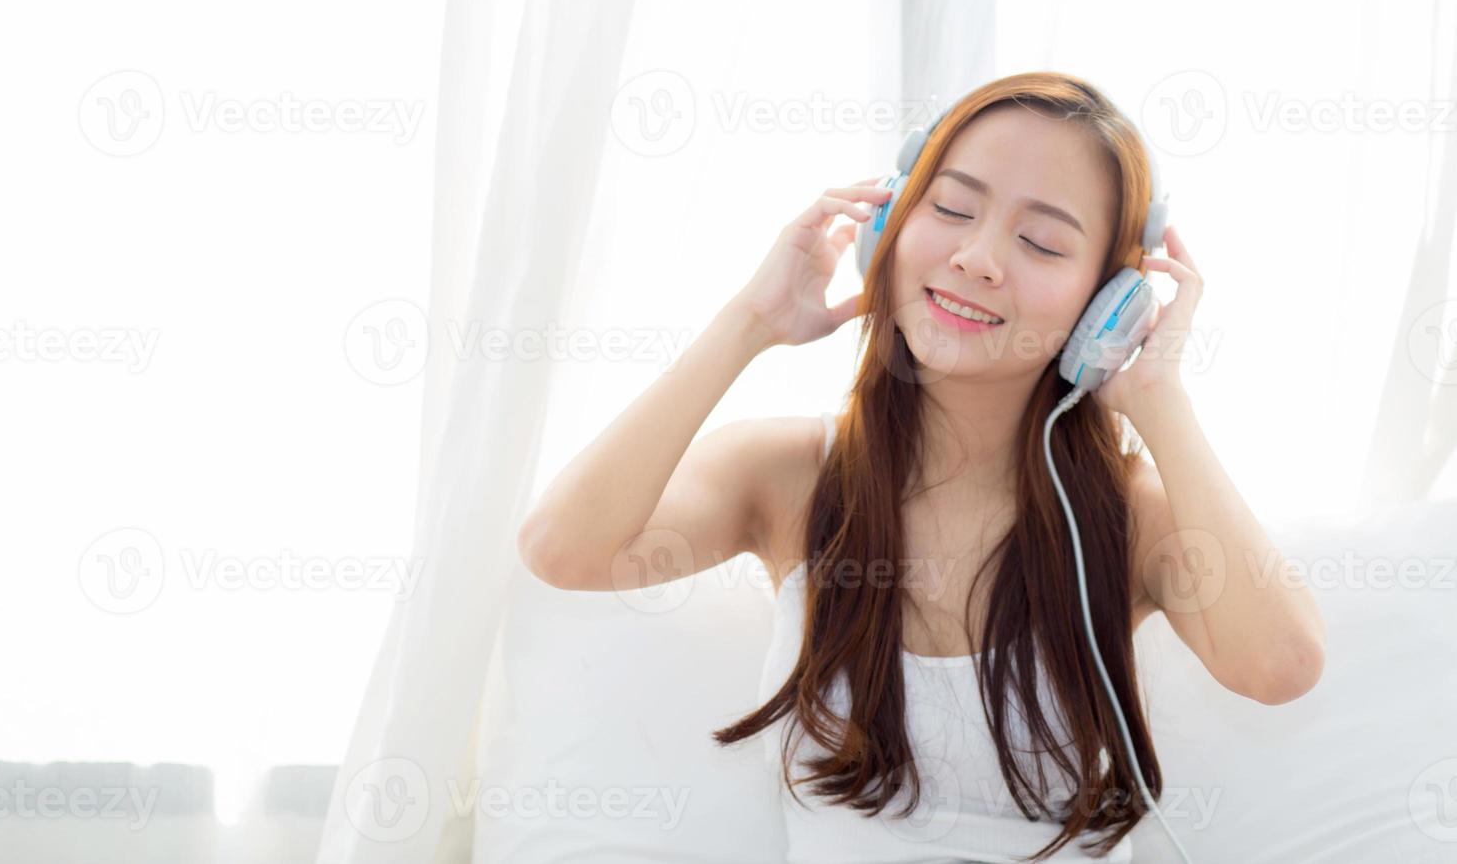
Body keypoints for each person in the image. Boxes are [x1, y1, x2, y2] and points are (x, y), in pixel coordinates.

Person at [518, 72, 1324, 863]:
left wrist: (1158, 399)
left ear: (1109, 304)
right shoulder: (790, 473)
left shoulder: (1128, 514)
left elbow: (1279, 667)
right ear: (889, 226)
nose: (977, 257)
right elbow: (565, 549)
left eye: (1041, 242)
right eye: (950, 208)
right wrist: (749, 323)